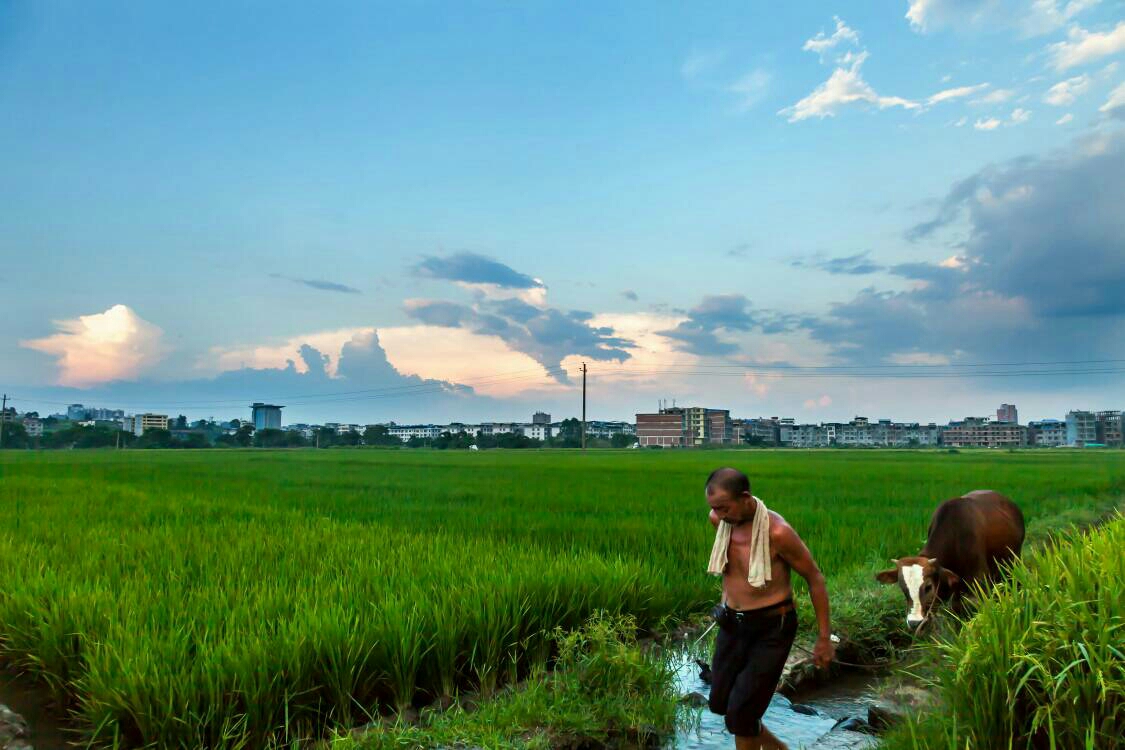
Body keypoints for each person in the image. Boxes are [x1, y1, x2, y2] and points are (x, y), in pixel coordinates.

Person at [704, 467, 834, 750]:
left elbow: (815, 579)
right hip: (732, 623)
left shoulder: (777, 532)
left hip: (771, 628)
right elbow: (733, 573)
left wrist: (824, 639)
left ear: (745, 498)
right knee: (720, 702)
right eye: (714, 509)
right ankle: (778, 748)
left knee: (741, 715)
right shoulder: (720, 520)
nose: (719, 515)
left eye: (724, 507)